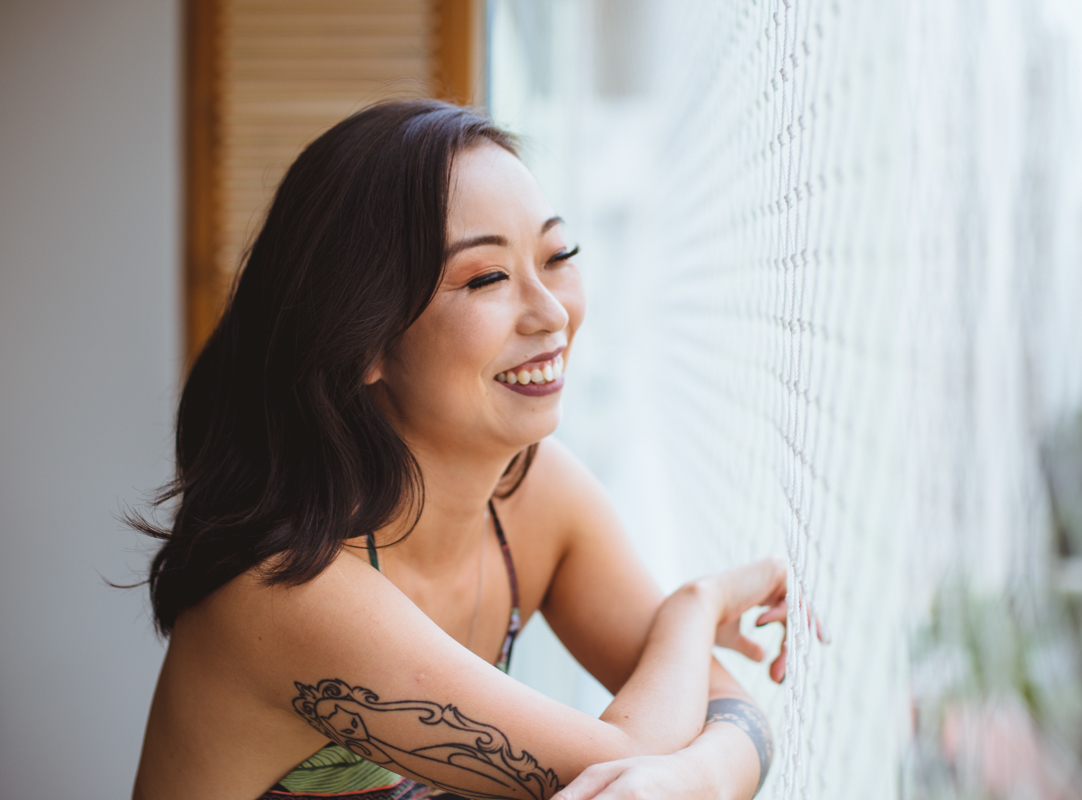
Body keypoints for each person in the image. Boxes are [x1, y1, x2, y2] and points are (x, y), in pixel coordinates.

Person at [131, 99, 794, 800]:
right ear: (363, 340)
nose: (551, 313)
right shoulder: (291, 590)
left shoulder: (536, 494)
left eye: (557, 257)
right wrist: (693, 607)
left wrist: (698, 772)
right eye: (486, 278)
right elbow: (622, 765)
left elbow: (709, 721)